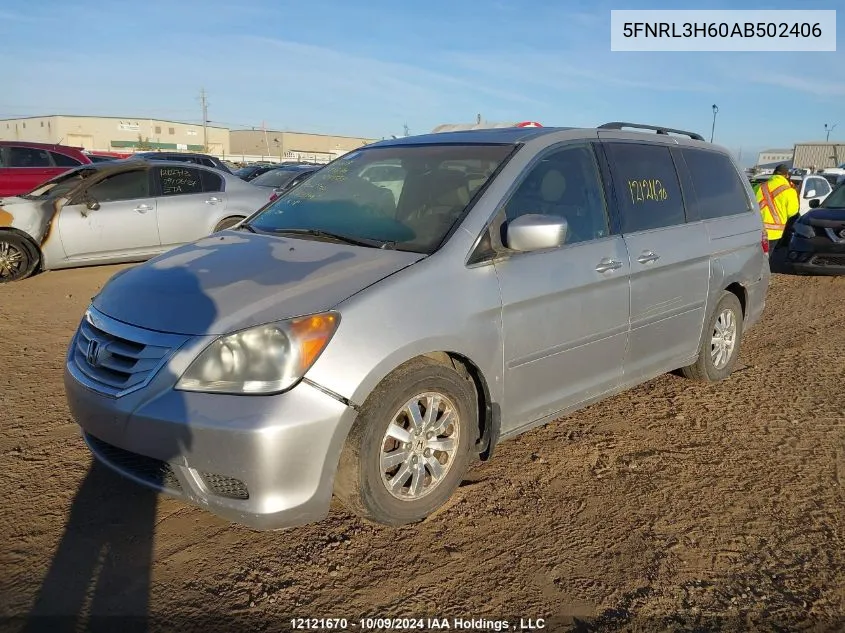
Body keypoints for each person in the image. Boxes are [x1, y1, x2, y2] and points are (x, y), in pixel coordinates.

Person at [757, 163, 799, 254]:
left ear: (774, 173)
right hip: (774, 233)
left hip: (756, 229)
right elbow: (793, 212)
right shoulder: (790, 191)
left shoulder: (759, 187)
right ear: (786, 175)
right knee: (766, 258)